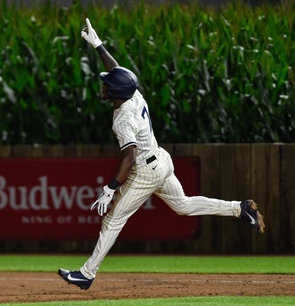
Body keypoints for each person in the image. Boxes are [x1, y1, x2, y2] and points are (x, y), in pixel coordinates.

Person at [57, 18, 265, 290]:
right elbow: (118, 72)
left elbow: (129, 157)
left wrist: (110, 189)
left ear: (114, 92)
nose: (104, 84)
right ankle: (239, 209)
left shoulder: (122, 118)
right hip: (162, 160)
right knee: (183, 206)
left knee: (113, 218)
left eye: (106, 84)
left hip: (145, 169)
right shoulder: (134, 94)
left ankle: (86, 273)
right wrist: (97, 44)